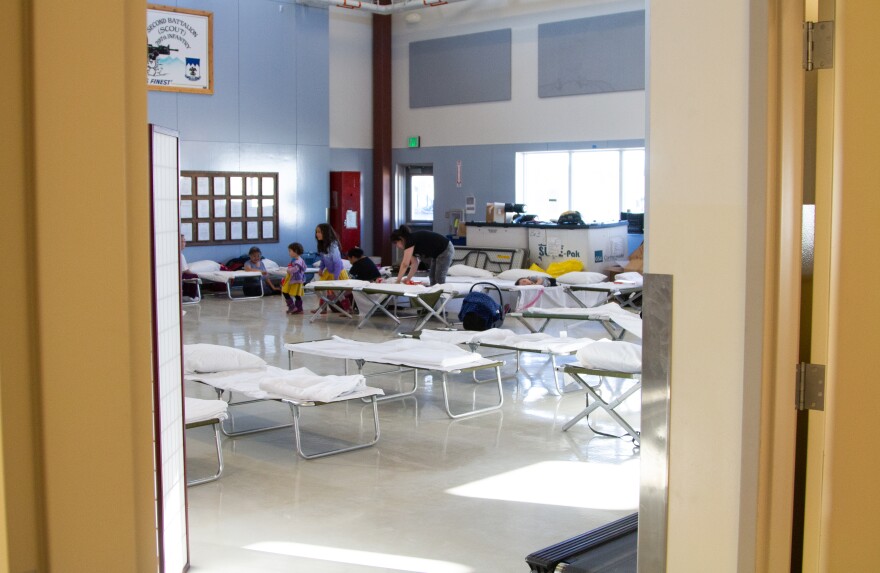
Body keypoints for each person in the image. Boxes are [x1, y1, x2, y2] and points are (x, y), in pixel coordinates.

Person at [314, 223, 351, 312]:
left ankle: (348, 309)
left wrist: (336, 277)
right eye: (316, 232)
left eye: (319, 232)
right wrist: (321, 268)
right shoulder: (322, 245)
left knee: (338, 292)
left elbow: (337, 263)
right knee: (319, 289)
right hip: (328, 271)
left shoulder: (333, 246)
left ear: (326, 233)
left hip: (337, 272)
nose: (317, 234)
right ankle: (323, 308)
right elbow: (323, 259)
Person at [281, 242, 307, 315]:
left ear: (295, 251)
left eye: (290, 251)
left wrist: (289, 269)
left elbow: (295, 269)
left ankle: (292, 307)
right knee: (296, 294)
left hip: (295, 280)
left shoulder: (298, 261)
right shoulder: (297, 259)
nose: (289, 252)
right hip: (294, 279)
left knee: (285, 291)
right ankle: (299, 308)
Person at [179, 233, 200, 301]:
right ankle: (192, 296)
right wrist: (195, 274)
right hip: (180, 275)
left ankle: (186, 294)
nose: (184, 243)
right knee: (194, 276)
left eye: (185, 241)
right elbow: (185, 270)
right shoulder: (180, 255)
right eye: (183, 241)